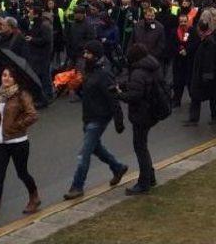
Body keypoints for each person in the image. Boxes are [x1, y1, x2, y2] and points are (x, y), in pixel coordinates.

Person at [63, 41, 128, 200]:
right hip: (88, 115)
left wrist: (119, 120)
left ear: (96, 55)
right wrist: (75, 87)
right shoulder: (88, 71)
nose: (85, 56)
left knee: (84, 153)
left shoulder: (104, 74)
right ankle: (117, 167)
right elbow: (86, 93)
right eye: (85, 53)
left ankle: (77, 186)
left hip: (99, 118)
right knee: (95, 148)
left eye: (88, 53)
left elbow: (113, 98)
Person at [0, 67, 40, 225]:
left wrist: (17, 125)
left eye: (10, 76)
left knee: (22, 173)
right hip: (0, 142)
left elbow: (33, 115)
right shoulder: (0, 94)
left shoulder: (21, 95)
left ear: (15, 80)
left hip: (18, 142)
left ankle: (34, 196)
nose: (6, 78)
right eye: (4, 75)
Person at [117, 44, 160, 195]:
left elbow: (134, 95)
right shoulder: (152, 66)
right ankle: (150, 176)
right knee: (143, 145)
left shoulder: (138, 73)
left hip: (142, 114)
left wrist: (119, 93)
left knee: (140, 147)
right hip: (151, 111)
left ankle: (144, 182)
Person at [185, 20, 216, 126]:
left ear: (200, 30)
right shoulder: (206, 40)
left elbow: (209, 61)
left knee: (207, 96)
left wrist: (207, 76)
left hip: (206, 75)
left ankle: (198, 118)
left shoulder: (208, 42)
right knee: (207, 96)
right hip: (205, 74)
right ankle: (198, 118)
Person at [25, 6, 54, 103]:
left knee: (45, 75)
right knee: (38, 75)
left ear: (36, 14)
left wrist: (32, 40)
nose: (28, 14)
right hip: (35, 54)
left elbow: (46, 40)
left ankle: (48, 95)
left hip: (43, 55)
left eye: (30, 12)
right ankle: (41, 95)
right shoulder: (34, 24)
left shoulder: (44, 25)